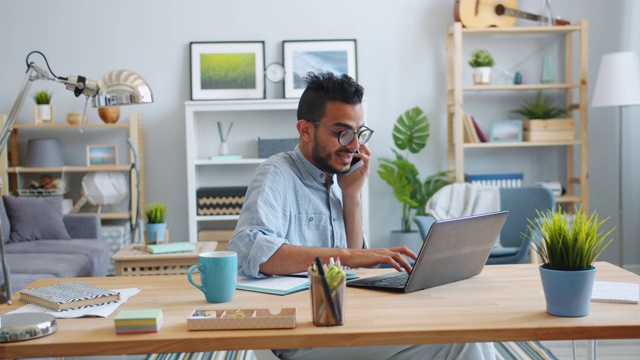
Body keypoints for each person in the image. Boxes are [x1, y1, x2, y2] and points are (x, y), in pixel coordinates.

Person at [229, 72, 494, 360]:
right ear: (305, 130)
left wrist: (352, 196)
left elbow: (358, 268)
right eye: (342, 132)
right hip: (304, 336)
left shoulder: (339, 180)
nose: (354, 145)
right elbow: (250, 250)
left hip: (347, 320)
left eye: (359, 133)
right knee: (458, 343)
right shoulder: (276, 174)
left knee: (475, 334)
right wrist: (346, 256)